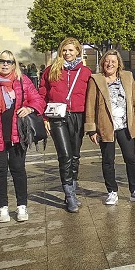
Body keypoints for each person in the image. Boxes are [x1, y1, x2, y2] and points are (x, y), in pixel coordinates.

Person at [0, 52, 45, 222]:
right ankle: (2, 207)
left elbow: (38, 99)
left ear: (14, 64)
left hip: (17, 135)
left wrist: (30, 108)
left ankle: (21, 206)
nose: (5, 64)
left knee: (18, 170)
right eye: (1, 61)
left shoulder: (22, 81)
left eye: (9, 62)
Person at [84, 50, 135, 205]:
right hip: (106, 127)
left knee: (131, 159)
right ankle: (112, 191)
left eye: (113, 61)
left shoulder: (127, 77)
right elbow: (90, 105)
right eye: (107, 61)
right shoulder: (96, 79)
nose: (110, 64)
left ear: (119, 63)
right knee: (108, 160)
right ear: (102, 63)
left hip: (126, 126)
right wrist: (92, 129)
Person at [39, 37, 92, 213]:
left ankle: (72, 189)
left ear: (78, 51)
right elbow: (42, 95)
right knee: (65, 155)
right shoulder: (51, 71)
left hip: (78, 116)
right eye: (65, 50)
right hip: (57, 117)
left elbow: (91, 98)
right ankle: (69, 195)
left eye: (71, 50)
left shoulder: (85, 72)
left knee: (75, 156)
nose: (68, 53)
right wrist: (44, 118)